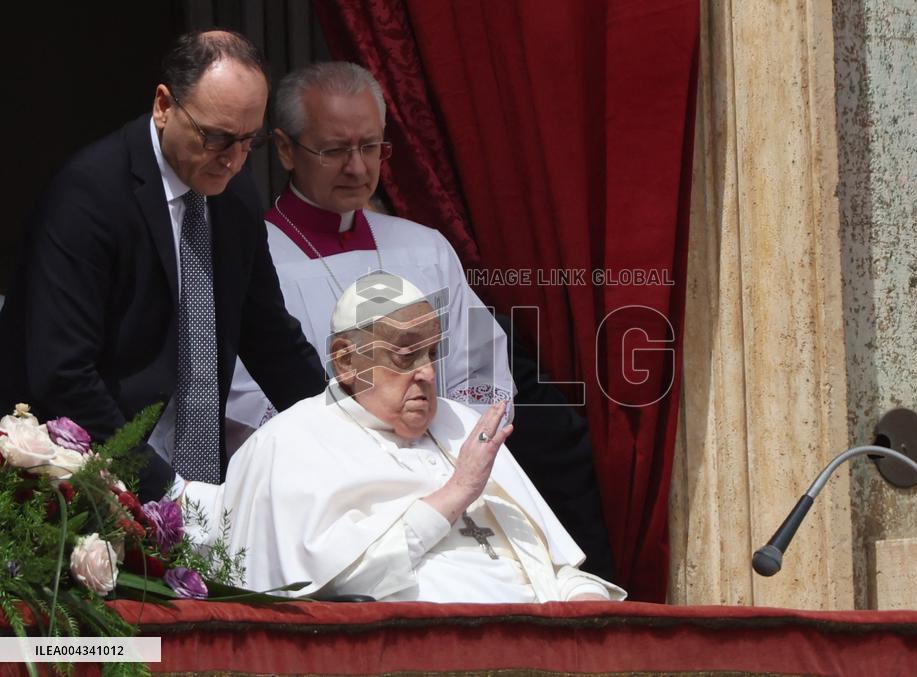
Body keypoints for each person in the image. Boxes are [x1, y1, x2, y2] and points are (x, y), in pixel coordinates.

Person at [0, 30, 327, 501]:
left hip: (198, 469)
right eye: (215, 138)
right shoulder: (87, 196)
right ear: (163, 105)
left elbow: (269, 335)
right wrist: (166, 491)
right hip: (89, 467)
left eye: (247, 141)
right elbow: (64, 374)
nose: (233, 161)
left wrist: (340, 431)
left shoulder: (234, 193)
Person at [201, 272, 624, 602]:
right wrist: (457, 492)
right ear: (347, 361)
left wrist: (581, 599)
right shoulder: (293, 441)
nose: (426, 372)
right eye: (405, 355)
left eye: (431, 352)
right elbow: (334, 584)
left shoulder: (459, 423)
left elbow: (547, 560)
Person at [225, 61, 513, 451]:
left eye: (370, 146)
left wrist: (441, 449)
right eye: (336, 149)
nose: (357, 167)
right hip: (324, 477)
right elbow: (242, 395)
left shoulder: (427, 249)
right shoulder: (248, 257)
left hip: (437, 466)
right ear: (285, 149)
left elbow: (483, 369)